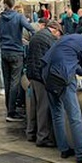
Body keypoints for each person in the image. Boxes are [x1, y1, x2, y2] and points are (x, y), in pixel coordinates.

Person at [41, 33, 82, 163]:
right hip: (63, 76)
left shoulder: (69, 38)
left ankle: (63, 149)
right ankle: (81, 153)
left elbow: (70, 60)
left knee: (57, 113)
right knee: (75, 117)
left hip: (47, 73)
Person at [0, 0, 36, 122]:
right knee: (15, 81)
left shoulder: (0, 18)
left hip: (4, 51)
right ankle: (12, 112)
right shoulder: (19, 17)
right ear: (13, 5)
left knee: (7, 81)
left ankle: (8, 108)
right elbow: (31, 29)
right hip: (16, 51)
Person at [25, 19, 62, 147]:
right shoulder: (49, 38)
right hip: (41, 76)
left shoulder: (37, 35)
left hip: (32, 74)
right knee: (43, 108)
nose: (59, 37)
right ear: (55, 30)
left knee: (33, 106)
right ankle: (43, 137)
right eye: (59, 34)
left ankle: (31, 133)